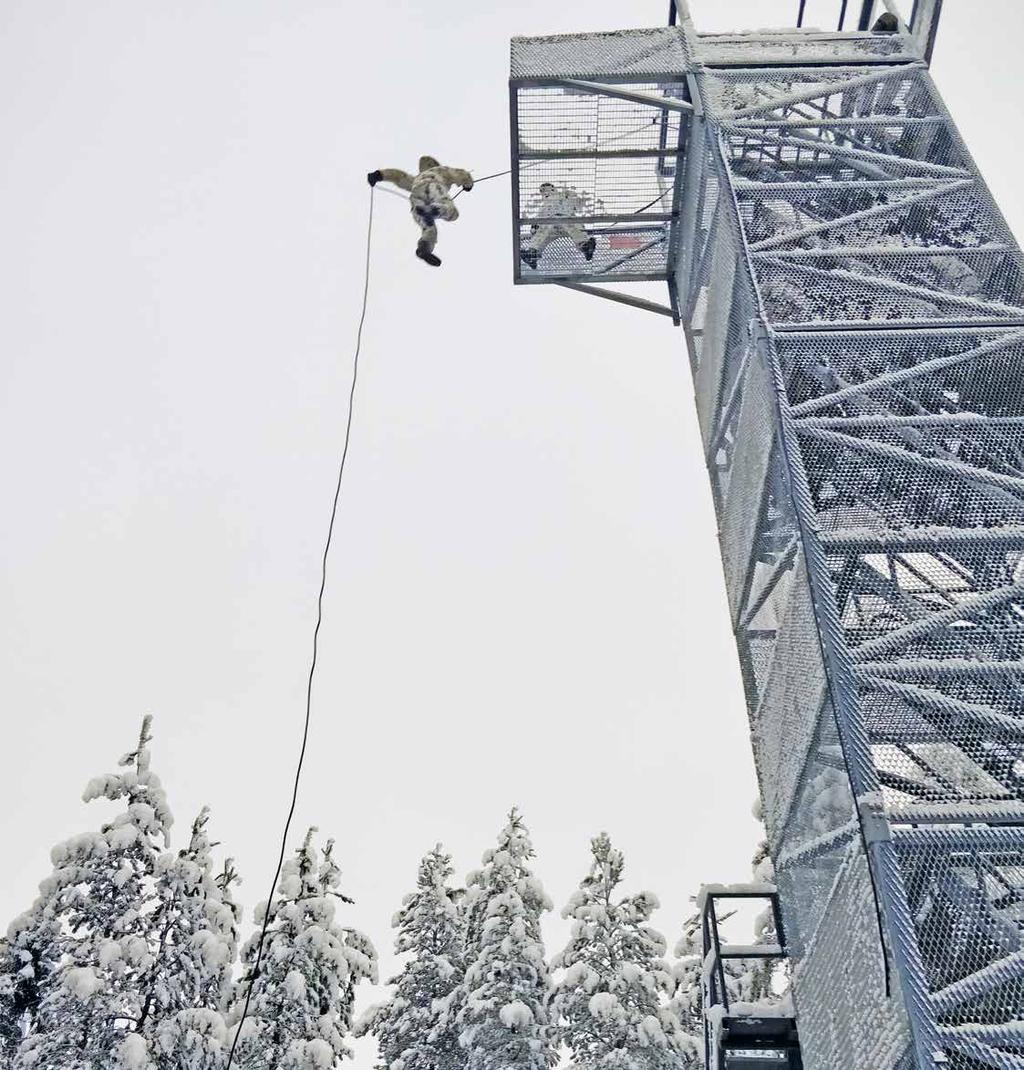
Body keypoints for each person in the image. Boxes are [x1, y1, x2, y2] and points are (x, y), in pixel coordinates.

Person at [367, 155, 474, 267]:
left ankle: (424, 247)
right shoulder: (440, 171)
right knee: (452, 212)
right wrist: (468, 184)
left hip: (416, 194)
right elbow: (460, 174)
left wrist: (378, 175)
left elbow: (398, 176)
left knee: (428, 227)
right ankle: (435, 209)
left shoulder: (415, 180)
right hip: (434, 186)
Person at [519, 182, 597, 270]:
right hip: (552, 228)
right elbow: (539, 218)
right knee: (543, 231)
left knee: (568, 224)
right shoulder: (544, 206)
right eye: (542, 191)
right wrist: (534, 226)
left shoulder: (563, 196)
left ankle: (585, 246)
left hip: (565, 223)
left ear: (552, 189)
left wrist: (571, 198)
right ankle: (533, 254)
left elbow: (575, 205)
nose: (545, 193)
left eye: (546, 190)